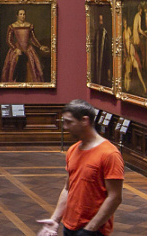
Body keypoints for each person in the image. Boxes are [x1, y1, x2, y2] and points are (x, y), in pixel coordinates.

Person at [41, 100, 123, 236]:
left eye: (69, 122)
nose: (65, 127)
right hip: (69, 226)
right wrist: (55, 219)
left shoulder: (109, 154)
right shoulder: (73, 150)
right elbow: (68, 188)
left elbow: (114, 197)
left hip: (93, 230)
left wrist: (90, 229)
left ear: (85, 120)